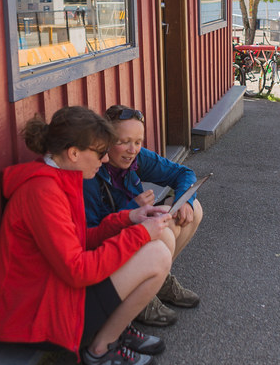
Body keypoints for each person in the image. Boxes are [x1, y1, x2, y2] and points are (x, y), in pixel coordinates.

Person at [0, 106, 175, 365]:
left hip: (57, 294)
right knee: (155, 253)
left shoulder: (60, 178)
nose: (105, 159)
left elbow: (82, 240)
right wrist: (140, 234)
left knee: (156, 242)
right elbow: (77, 271)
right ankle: (100, 352)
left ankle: (117, 329)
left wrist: (129, 218)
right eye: (100, 152)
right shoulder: (42, 192)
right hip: (39, 318)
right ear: (74, 153)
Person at [83, 105, 203, 328]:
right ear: (106, 139)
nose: (132, 150)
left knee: (193, 209)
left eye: (138, 142)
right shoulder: (91, 172)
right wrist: (132, 208)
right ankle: (140, 299)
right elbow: (92, 233)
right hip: (112, 249)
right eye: (124, 141)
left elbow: (184, 173)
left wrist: (184, 200)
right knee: (163, 234)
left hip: (136, 228)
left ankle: (159, 282)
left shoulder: (138, 158)